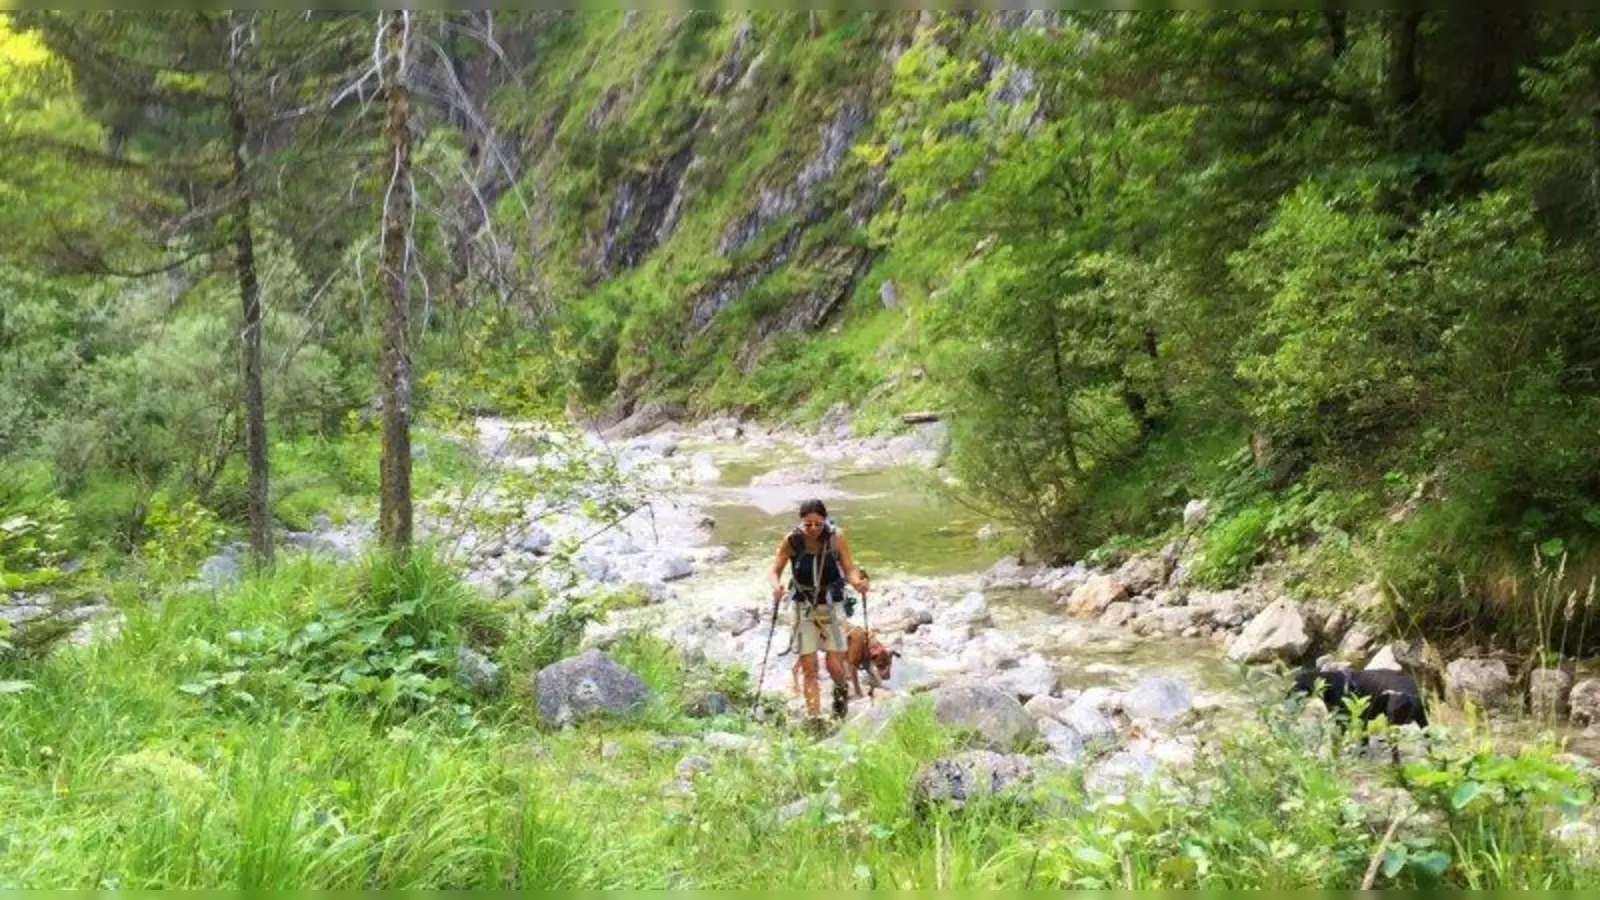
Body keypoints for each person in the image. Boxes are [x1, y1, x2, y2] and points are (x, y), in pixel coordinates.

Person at [769, 499, 870, 723]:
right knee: (809, 667)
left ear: (825, 520)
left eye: (818, 524)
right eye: (808, 524)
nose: (813, 528)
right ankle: (814, 718)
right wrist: (776, 587)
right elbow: (775, 570)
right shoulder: (792, 541)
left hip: (832, 604)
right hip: (802, 605)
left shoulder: (836, 538)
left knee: (833, 664)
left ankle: (841, 691)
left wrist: (857, 583)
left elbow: (849, 568)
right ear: (801, 522)